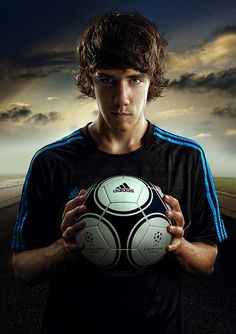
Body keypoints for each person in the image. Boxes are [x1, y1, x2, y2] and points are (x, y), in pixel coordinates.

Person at [12, 10, 227, 334]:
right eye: (107, 79)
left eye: (135, 79)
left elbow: (207, 261)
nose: (121, 98)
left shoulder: (187, 157)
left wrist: (180, 245)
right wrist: (64, 247)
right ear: (89, 80)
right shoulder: (51, 161)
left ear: (151, 79)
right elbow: (23, 269)